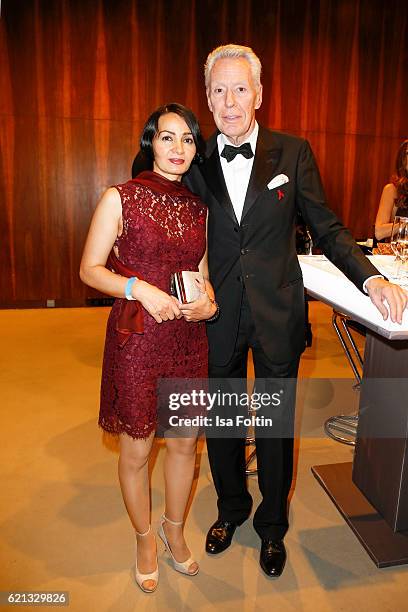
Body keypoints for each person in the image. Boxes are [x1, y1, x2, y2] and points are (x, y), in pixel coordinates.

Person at [131, 45, 407, 579]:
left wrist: (370, 276)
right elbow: (165, 226)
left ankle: (273, 525)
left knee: (276, 427)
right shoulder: (195, 158)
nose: (229, 102)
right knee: (227, 423)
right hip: (215, 315)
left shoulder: (294, 153)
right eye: (218, 90)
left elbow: (326, 227)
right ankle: (231, 508)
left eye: (240, 89)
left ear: (259, 94)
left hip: (277, 311)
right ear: (207, 99)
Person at [80, 103, 217, 593]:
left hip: (185, 338)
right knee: (137, 449)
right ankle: (143, 538)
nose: (177, 148)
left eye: (187, 139)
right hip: (137, 337)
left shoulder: (200, 209)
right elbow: (90, 269)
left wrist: (208, 306)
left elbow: (199, 275)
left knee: (183, 444)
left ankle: (174, 531)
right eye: (167, 137)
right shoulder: (120, 197)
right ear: (149, 143)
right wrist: (139, 288)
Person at [375, 139, 408, 241]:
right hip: (401, 253)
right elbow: (379, 232)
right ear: (402, 160)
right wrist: (405, 224)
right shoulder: (392, 189)